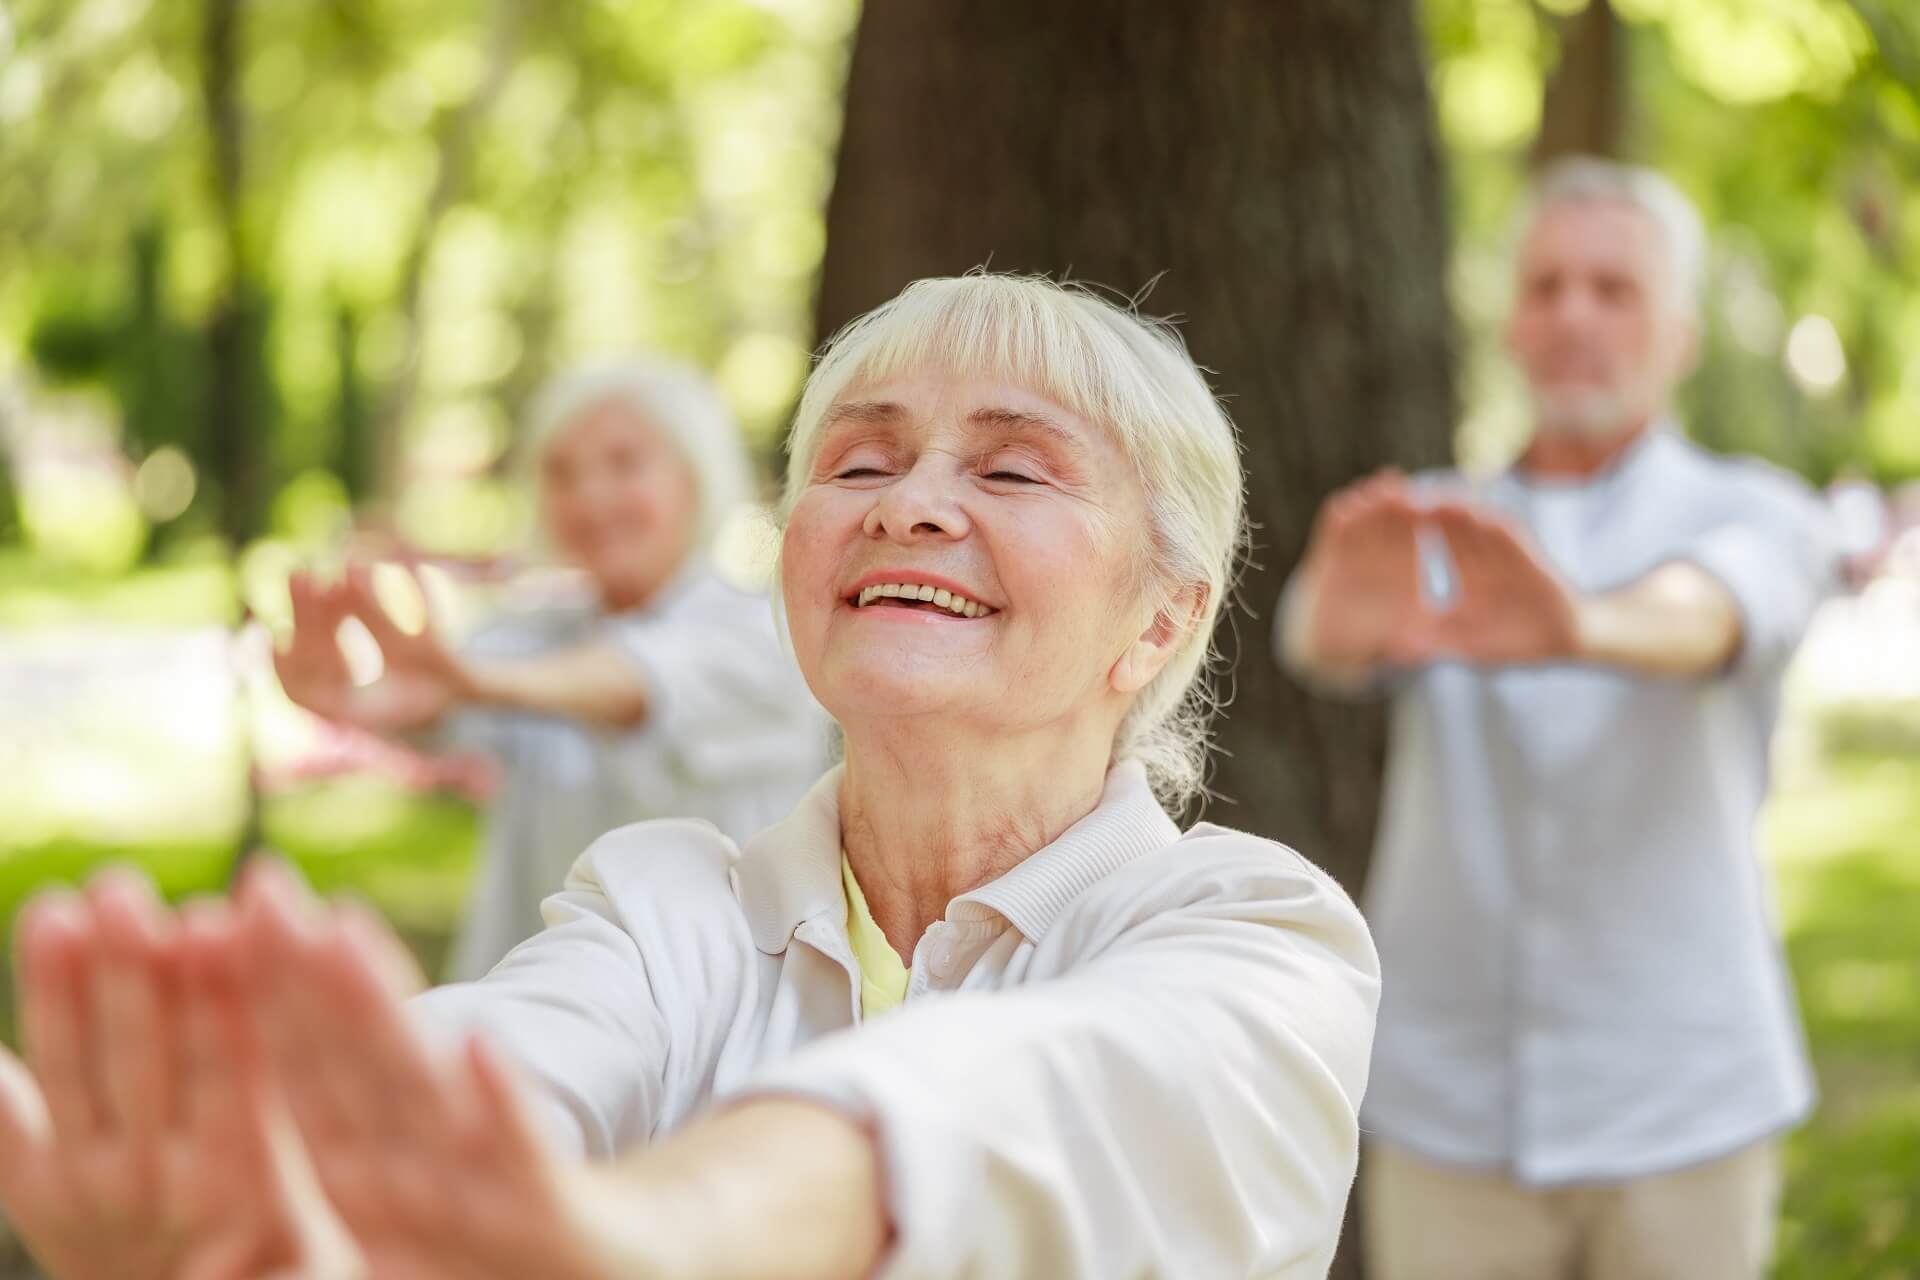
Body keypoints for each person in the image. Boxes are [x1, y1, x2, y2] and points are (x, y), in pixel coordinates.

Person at [0, 274, 1380, 1280]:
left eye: (1014, 471)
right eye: (860, 460)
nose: (910, 501)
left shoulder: (1262, 936)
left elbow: (1029, 1104)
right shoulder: (664, 903)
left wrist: (643, 1230)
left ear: (1162, 619)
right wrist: (304, 1185)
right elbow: (508, 1061)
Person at [1279, 158, 1840, 1279]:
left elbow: (1715, 612)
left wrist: (1571, 624)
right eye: (1546, 286)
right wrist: (1332, 614)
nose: (1575, 314)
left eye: (1613, 288)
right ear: (1513, 325)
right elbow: (1319, 634)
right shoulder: (1438, 517)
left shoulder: (1756, 506)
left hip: (1685, 1102)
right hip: (1445, 1104)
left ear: (1679, 333)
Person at [273, 360, 831, 978]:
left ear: (697, 479)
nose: (589, 497)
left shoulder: (763, 636)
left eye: (625, 464)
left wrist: (472, 683)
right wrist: (357, 699)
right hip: (529, 1014)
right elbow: (441, 704)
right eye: (562, 473)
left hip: (704, 1028)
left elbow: (636, 683)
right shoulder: (535, 630)